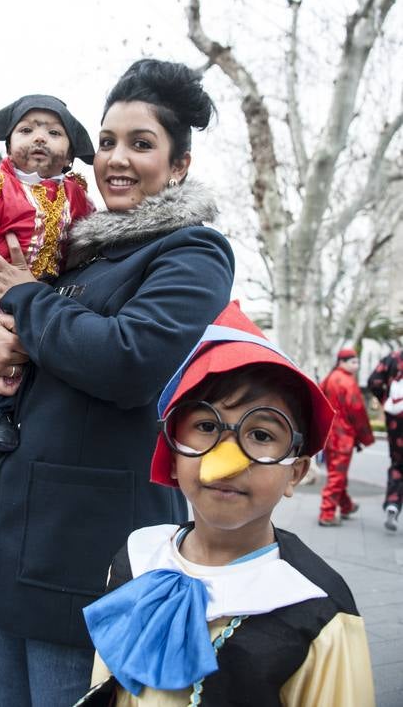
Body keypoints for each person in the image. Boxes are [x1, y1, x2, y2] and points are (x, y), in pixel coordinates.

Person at [0, 58, 235, 707]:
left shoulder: (191, 251)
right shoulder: (71, 244)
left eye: (141, 143)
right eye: (106, 142)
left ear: (179, 165)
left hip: (81, 559)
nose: (116, 159)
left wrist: (26, 300)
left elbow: (128, 361)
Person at [79, 301, 375, 707]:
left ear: (296, 472)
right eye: (205, 426)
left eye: (261, 435)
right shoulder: (136, 560)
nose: (226, 463)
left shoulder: (321, 615)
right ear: (173, 447)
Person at [0, 95, 95, 458]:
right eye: (26, 130)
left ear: (71, 154)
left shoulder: (77, 197)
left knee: (28, 347)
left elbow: (88, 238)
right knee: (3, 342)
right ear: (8, 144)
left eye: (54, 132)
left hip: (43, 292)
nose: (39, 138)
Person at [318, 347, 374, 527]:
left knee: (337, 472)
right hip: (343, 436)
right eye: (353, 361)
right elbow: (358, 412)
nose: (356, 365)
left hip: (329, 434)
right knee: (337, 475)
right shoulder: (347, 382)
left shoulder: (330, 377)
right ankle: (327, 514)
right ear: (342, 362)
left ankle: (346, 506)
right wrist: (365, 437)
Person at [368, 347, 403, 532]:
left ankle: (393, 503)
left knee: (398, 464)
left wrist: (386, 399)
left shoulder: (392, 358)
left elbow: (374, 381)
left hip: (397, 421)